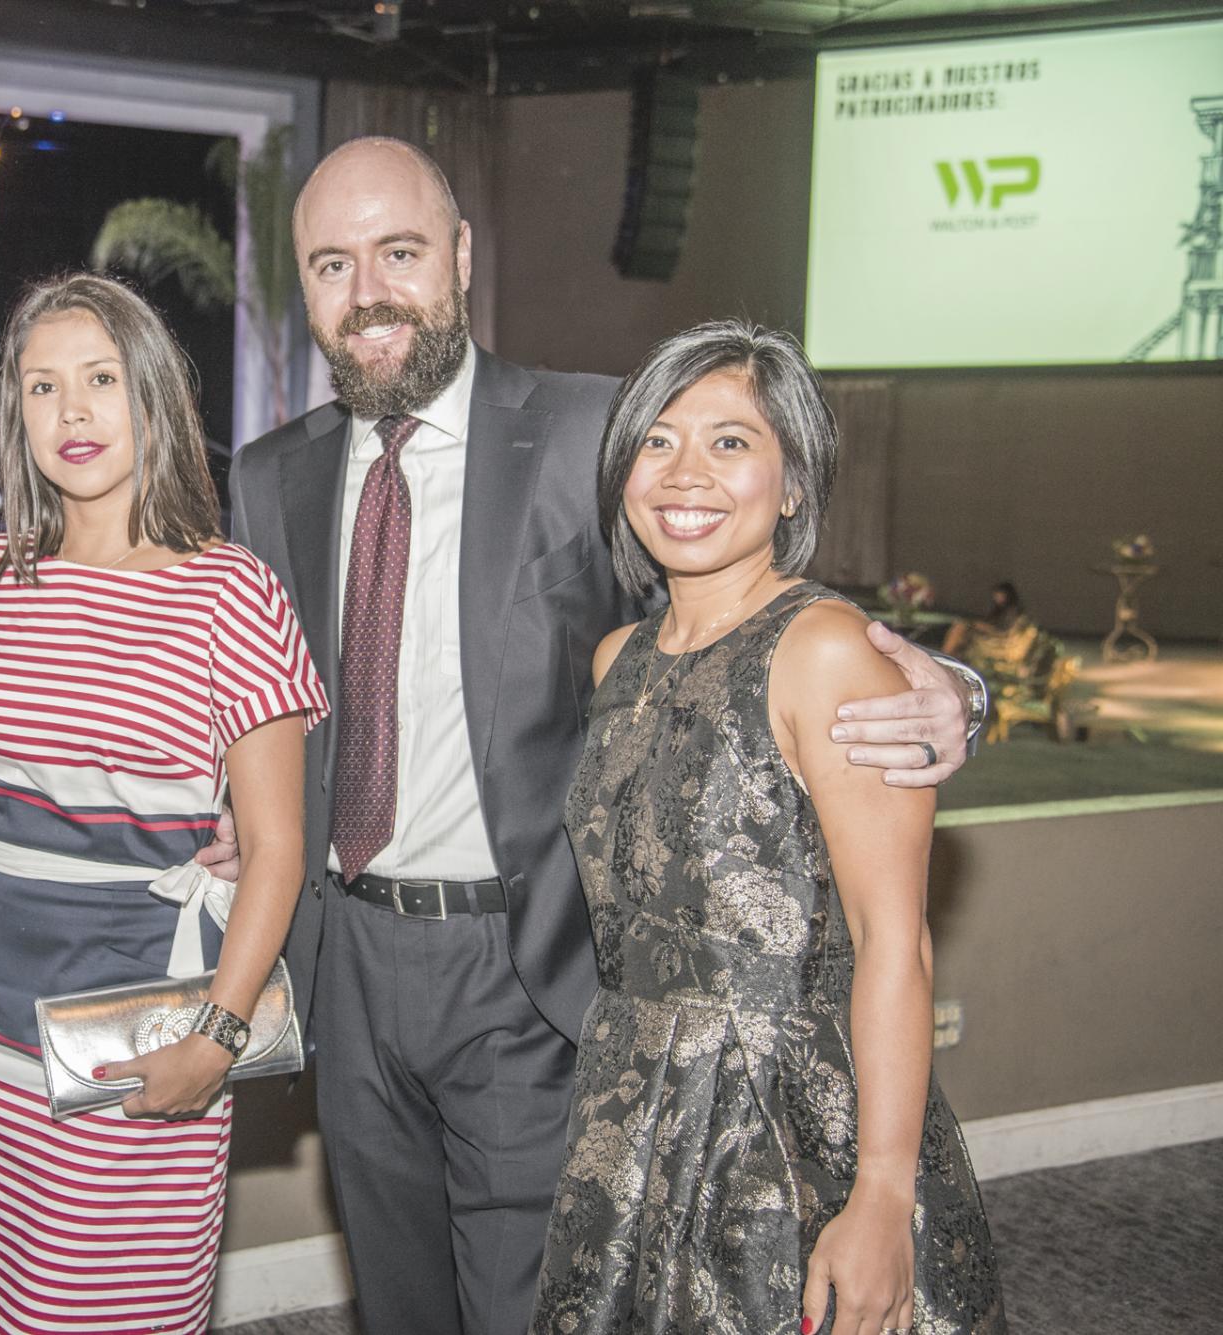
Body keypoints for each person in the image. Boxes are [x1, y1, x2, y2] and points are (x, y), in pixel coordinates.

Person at [225, 137, 984, 1335]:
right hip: (347, 967)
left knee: (533, 1307)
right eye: (331, 262)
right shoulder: (269, 479)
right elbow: (259, 693)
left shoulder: (598, 432)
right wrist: (243, 824)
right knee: (399, 1298)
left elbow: (752, 601)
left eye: (399, 252)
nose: (366, 290)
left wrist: (947, 684)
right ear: (301, 287)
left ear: (461, 259)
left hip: (528, 969)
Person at [531, 320, 1005, 1334]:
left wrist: (878, 1194)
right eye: (654, 440)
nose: (683, 472)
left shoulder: (822, 647)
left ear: (791, 483)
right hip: (631, 1107)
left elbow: (894, 940)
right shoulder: (619, 657)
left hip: (786, 1125)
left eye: (729, 441)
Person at [0, 273, 326, 1335]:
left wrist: (214, 1036)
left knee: (105, 1304)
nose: (73, 412)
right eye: (42, 387)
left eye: (100, 379)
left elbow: (276, 849)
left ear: (151, 395)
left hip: (136, 1021)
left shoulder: (228, 589)